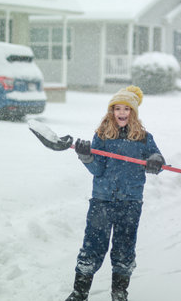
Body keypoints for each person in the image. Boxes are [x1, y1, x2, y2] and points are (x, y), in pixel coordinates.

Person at [65, 86, 165, 301]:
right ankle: (79, 293)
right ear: (111, 111)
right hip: (102, 200)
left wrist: (156, 160)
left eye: (126, 109)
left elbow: (156, 157)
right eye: (117, 108)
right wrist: (86, 156)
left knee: (124, 248)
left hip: (130, 202)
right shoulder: (101, 136)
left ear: (134, 112)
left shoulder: (144, 138)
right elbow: (97, 169)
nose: (121, 113)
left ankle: (119, 293)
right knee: (92, 246)